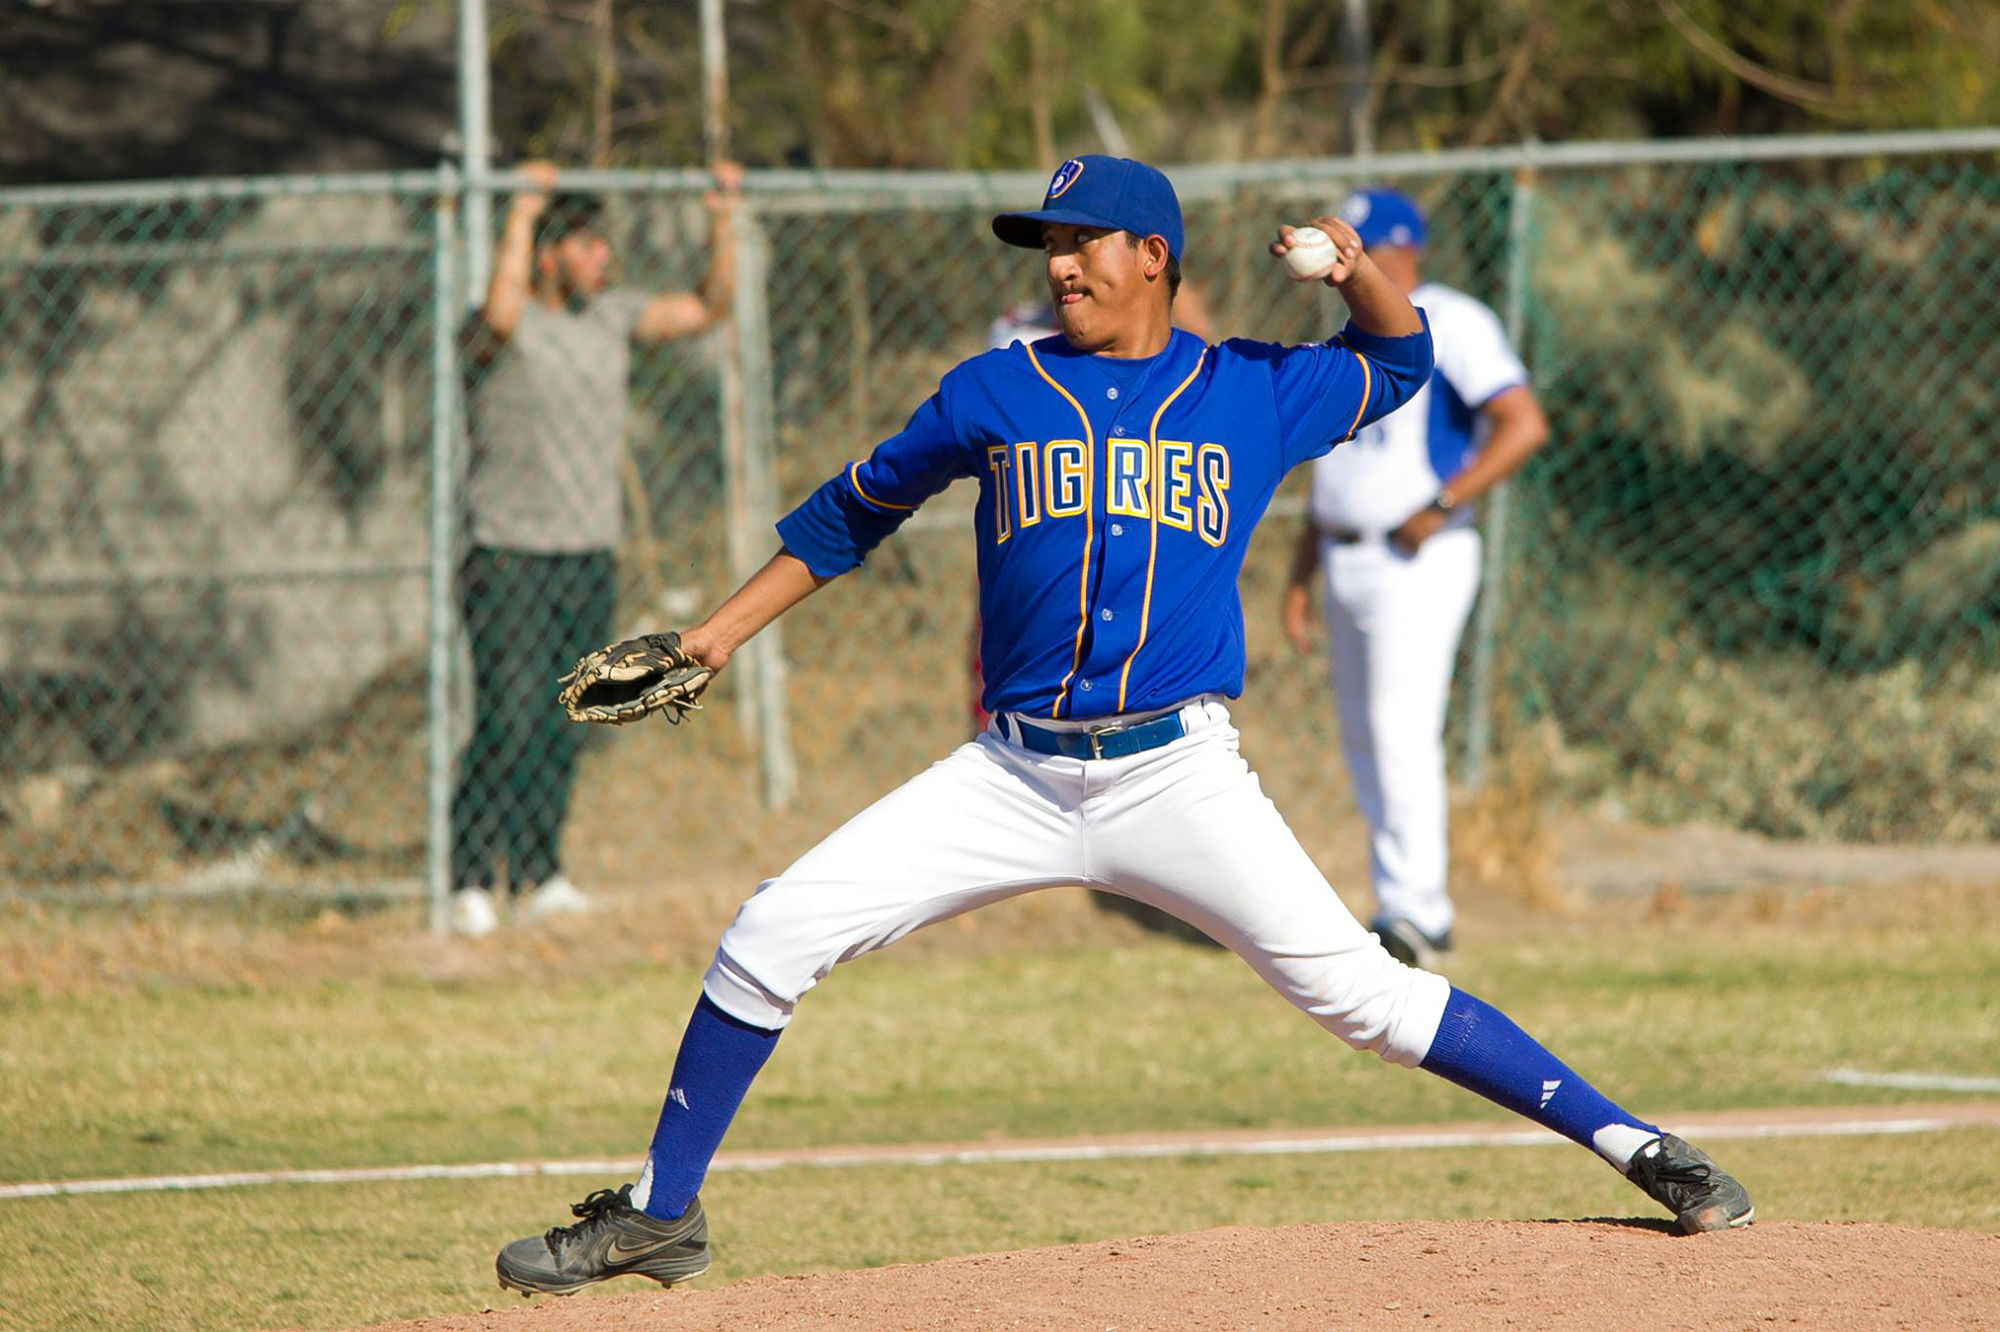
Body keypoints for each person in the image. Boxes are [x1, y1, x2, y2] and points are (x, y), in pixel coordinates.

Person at [491, 154, 1750, 1297]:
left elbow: (1405, 366)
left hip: (1177, 778)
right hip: (1011, 774)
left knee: (1365, 1000)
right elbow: (846, 514)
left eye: (1086, 237)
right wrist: (714, 635)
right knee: (771, 931)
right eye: (1048, 241)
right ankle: (660, 1216)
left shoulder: (1249, 386)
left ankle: (1635, 1145)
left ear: (1155, 255)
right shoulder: (992, 390)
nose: (1060, 261)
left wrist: (1356, 270)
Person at [449, 159, 743, 939]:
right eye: (585, 246)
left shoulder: (611, 317)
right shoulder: (496, 322)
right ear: (548, 254)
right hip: (506, 551)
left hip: (586, 554)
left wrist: (722, 216)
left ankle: (541, 872)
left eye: (602, 246)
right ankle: (472, 879)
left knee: (561, 718)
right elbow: (502, 317)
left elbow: (711, 307)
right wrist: (520, 212)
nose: (602, 259)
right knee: (506, 716)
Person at [1281, 188, 1550, 970]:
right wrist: (1300, 571)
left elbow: (1522, 421)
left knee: (1401, 732)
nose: (1345, 256)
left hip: (1418, 557)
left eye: (1359, 243)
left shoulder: (1447, 316)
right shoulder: (1351, 329)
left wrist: (1443, 503)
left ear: (1400, 248)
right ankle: (1395, 903)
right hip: (1343, 551)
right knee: (1365, 738)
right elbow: (1331, 463)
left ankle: (1419, 912)